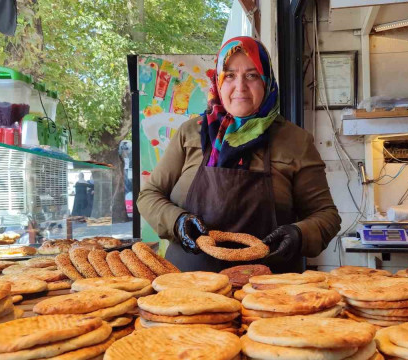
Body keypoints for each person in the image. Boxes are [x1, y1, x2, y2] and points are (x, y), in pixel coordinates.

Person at [137, 36, 341, 273]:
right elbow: (149, 195)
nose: (240, 87)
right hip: (189, 286)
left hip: (270, 290)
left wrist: (299, 234)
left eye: (252, 75)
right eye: (230, 75)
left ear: (267, 82)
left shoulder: (295, 141)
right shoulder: (191, 133)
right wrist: (177, 221)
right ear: (218, 82)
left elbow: (326, 215)